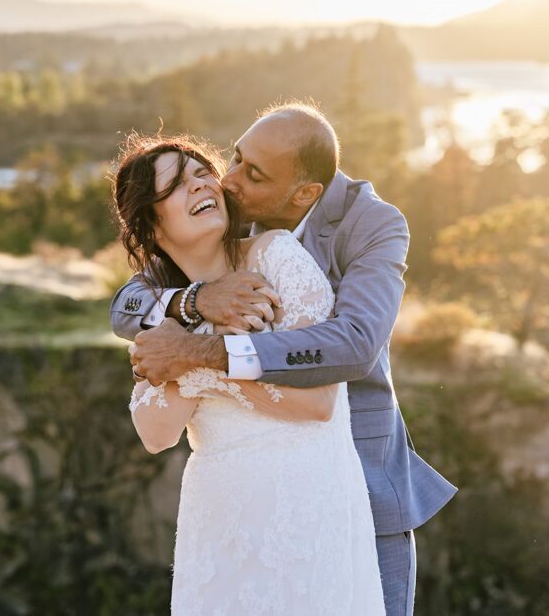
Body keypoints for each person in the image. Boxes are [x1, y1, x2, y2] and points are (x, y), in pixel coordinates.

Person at [112, 102, 457, 615]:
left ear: (304, 194)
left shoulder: (371, 224)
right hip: (233, 500)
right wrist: (195, 301)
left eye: (251, 173)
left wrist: (201, 353)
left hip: (353, 475)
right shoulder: (228, 218)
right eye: (233, 159)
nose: (226, 181)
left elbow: (355, 344)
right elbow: (125, 308)